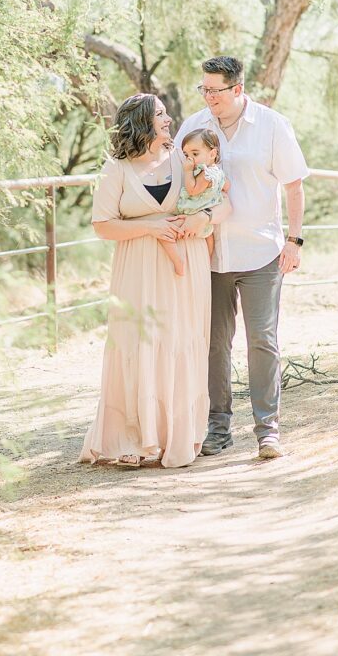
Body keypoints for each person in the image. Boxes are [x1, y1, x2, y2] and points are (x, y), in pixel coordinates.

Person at [79, 93, 231, 469]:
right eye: (160, 114)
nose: (168, 119)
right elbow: (102, 225)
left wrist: (206, 218)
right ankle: (130, 438)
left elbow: (224, 202)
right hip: (138, 267)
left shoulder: (184, 160)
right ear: (142, 121)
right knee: (137, 342)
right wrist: (151, 227)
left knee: (179, 343)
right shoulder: (115, 168)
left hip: (186, 265)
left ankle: (174, 436)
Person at [173, 56, 308, 460]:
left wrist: (294, 241)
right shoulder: (195, 127)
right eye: (204, 89)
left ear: (237, 89)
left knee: (262, 341)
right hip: (209, 256)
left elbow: (294, 185)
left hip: (261, 253)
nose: (208, 97)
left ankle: (268, 430)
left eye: (215, 90)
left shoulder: (271, 125)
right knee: (214, 344)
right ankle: (218, 428)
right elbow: (176, 176)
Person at [160, 129, 229, 275]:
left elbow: (192, 190)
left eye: (195, 154)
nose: (189, 159)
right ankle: (207, 264)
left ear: (212, 154)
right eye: (186, 155)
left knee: (164, 232)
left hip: (192, 214)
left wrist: (187, 172)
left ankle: (178, 262)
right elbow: (227, 186)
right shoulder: (218, 173)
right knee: (209, 240)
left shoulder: (204, 173)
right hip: (206, 223)